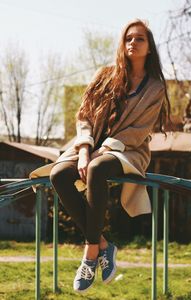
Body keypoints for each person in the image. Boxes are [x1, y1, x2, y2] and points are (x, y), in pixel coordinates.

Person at [30, 18, 170, 293]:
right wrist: (84, 151)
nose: (132, 43)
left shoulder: (155, 88)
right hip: (88, 146)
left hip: (127, 149)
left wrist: (100, 153)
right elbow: (83, 116)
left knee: (97, 169)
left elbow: (138, 131)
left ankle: (90, 253)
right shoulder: (105, 75)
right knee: (58, 173)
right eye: (128, 38)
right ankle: (104, 245)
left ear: (150, 47)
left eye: (139, 38)